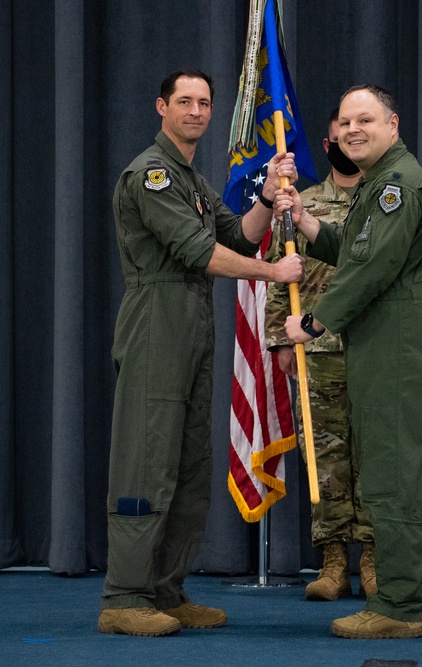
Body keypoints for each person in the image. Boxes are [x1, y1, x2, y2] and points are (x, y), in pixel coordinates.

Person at [98, 69, 303, 638]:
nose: (196, 110)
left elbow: (237, 235)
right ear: (161, 106)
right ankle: (124, 596)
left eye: (205, 102)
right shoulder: (153, 175)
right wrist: (273, 271)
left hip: (190, 326)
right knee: (146, 464)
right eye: (184, 101)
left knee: (187, 466)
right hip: (155, 325)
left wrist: (265, 196)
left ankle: (167, 591)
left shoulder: (191, 179)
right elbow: (199, 252)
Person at [275, 84, 422, 639]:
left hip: (399, 348)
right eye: (346, 122)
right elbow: (355, 248)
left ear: (393, 124)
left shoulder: (396, 186)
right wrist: (307, 224)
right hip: (384, 347)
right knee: (385, 475)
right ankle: (399, 602)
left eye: (366, 120)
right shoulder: (379, 184)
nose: (353, 129)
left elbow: (369, 270)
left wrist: (311, 322)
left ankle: (400, 609)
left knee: (395, 480)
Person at [263, 109, 374, 602]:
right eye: (337, 138)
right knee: (325, 459)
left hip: (376, 351)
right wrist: (281, 341)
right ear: (327, 144)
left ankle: (373, 558)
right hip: (318, 352)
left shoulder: (387, 202)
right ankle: (332, 562)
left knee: (375, 456)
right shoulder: (301, 203)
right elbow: (278, 272)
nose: (346, 145)